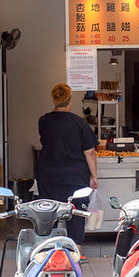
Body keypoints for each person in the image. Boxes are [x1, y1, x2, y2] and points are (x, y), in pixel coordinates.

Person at [36, 83, 99, 251]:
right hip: (75, 178)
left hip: (48, 176)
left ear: (54, 99)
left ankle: (49, 253)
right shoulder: (79, 123)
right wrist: (94, 176)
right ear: (70, 100)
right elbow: (90, 152)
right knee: (76, 215)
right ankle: (74, 254)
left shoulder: (44, 121)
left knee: (50, 215)